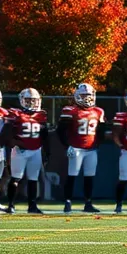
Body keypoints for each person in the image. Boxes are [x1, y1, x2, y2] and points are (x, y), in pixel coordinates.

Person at [55, 82, 103, 214]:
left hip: (91, 149)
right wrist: (67, 145)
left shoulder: (98, 111)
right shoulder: (71, 111)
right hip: (76, 148)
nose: (87, 98)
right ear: (77, 96)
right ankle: (68, 202)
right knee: (72, 176)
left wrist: (98, 144)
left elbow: (102, 131)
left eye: (89, 95)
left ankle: (88, 202)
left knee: (89, 177)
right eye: (84, 95)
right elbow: (60, 130)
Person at [2, 88, 48, 214]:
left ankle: (32, 205)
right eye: (28, 101)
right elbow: (6, 132)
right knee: (16, 177)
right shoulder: (15, 114)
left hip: (36, 150)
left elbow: (44, 135)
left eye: (33, 100)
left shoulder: (42, 115)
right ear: (22, 100)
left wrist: (46, 152)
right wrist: (13, 143)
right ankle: (11, 205)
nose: (31, 103)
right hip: (20, 150)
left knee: (33, 179)